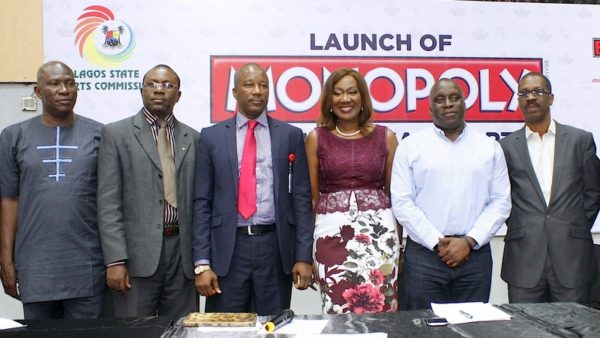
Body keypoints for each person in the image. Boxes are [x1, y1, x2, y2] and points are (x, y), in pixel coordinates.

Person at [192, 63, 313, 316]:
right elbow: (202, 202)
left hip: (275, 248)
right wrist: (202, 263)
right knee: (225, 329)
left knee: (273, 326)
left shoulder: (290, 135)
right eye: (249, 85)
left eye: (263, 85)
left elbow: (301, 199)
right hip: (228, 250)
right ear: (235, 92)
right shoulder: (211, 137)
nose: (257, 91)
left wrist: (303, 256)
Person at [390, 78, 511, 310]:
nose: (448, 104)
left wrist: (469, 241)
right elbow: (403, 203)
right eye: (440, 99)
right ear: (430, 108)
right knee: (422, 329)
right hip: (425, 258)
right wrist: (439, 244)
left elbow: (500, 202)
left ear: (464, 104)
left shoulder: (489, 147)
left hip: (474, 257)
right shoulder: (410, 147)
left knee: (472, 329)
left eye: (455, 98)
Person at [0, 61, 105, 319]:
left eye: (70, 83)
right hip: (36, 267)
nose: (64, 90)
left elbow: (110, 202)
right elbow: (8, 201)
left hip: (88, 266)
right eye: (55, 84)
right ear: (38, 92)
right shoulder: (14, 136)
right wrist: (5, 261)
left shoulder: (99, 134)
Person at [97, 64, 200, 318]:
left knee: (182, 330)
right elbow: (108, 203)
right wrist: (115, 260)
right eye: (152, 84)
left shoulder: (194, 138)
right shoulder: (116, 134)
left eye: (167, 86)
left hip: (183, 256)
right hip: (135, 256)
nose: (159, 90)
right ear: (141, 90)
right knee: (134, 330)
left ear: (178, 95)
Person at [305, 68, 401, 314]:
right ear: (329, 100)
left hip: (380, 240)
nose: (345, 99)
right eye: (337, 93)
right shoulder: (316, 138)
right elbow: (311, 198)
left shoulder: (386, 137)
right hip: (330, 239)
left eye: (351, 92)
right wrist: (307, 251)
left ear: (362, 98)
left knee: (381, 309)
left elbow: (396, 196)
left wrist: (401, 246)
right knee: (337, 309)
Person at [499, 72, 600, 303]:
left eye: (538, 92)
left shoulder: (580, 140)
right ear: (518, 101)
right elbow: (501, 197)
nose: (531, 98)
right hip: (524, 258)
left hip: (572, 257)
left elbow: (594, 191)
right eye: (524, 93)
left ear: (551, 98)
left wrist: (574, 224)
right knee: (525, 328)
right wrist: (522, 226)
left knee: (573, 329)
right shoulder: (505, 147)